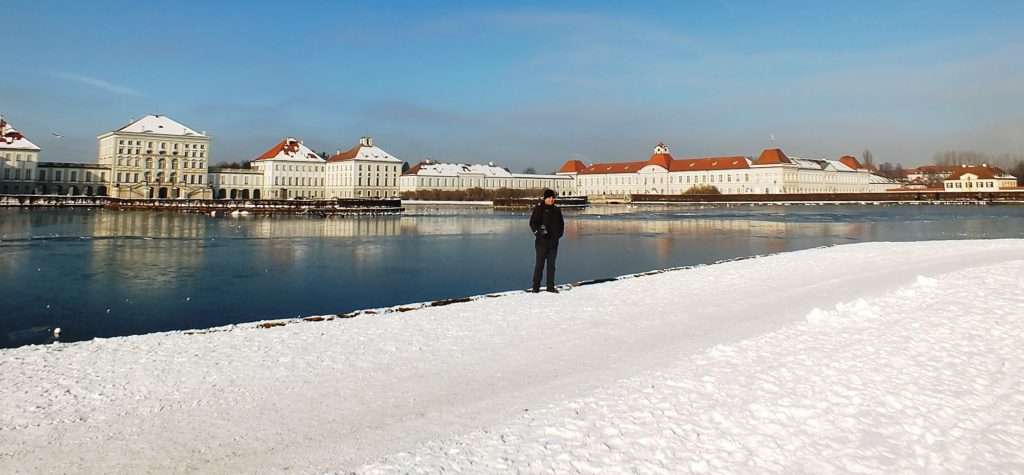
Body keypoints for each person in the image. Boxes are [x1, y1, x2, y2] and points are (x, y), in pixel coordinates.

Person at [529, 189, 564, 293]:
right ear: (545, 198)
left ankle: (550, 287)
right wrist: (538, 233)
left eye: (553, 198)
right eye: (549, 198)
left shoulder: (557, 210)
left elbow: (561, 225)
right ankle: (536, 287)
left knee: (551, 266)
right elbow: (532, 223)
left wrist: (558, 235)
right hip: (541, 242)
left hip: (553, 242)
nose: (551, 199)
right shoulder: (539, 209)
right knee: (539, 265)